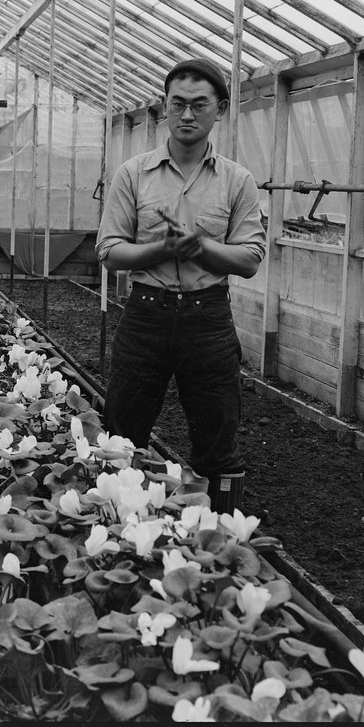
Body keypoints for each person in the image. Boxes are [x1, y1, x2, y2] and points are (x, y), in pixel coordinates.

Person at [95, 57, 266, 515]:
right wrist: (162, 250)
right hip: (145, 316)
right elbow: (110, 250)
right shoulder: (134, 173)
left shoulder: (237, 181)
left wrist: (202, 248)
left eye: (199, 105)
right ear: (164, 109)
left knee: (217, 437)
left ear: (221, 109)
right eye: (177, 105)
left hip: (207, 320)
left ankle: (220, 536)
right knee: (121, 432)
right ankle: (118, 528)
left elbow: (250, 258)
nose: (187, 115)